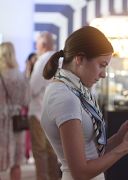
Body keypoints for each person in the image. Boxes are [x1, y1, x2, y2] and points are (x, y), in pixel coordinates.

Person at [41, 26, 128, 180]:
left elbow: (92, 153)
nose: (104, 74)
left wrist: (119, 137)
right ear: (79, 59)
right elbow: (80, 172)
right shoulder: (65, 96)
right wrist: (126, 145)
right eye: (101, 65)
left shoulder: (76, 90)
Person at [28, 32, 60, 180]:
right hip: (54, 113)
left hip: (39, 112)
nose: (36, 46)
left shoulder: (42, 61)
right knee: (52, 151)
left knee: (40, 152)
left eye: (37, 43)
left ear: (43, 44)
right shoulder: (60, 59)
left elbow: (32, 88)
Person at [0, 42, 28, 180]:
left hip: (2, 120)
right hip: (16, 121)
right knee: (16, 164)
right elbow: (25, 100)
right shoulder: (20, 75)